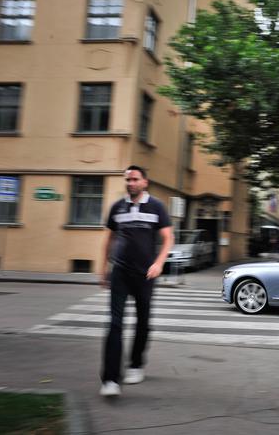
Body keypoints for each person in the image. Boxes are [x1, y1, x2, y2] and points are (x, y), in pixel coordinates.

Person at [98, 165, 174, 397]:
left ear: (144, 182)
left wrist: (159, 263)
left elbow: (168, 238)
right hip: (120, 272)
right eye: (127, 180)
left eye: (134, 179)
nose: (130, 183)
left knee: (143, 322)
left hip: (145, 275)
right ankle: (110, 380)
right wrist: (103, 268)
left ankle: (136, 364)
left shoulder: (157, 206)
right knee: (115, 324)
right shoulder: (117, 207)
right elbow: (109, 239)